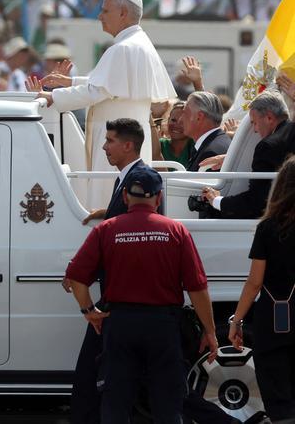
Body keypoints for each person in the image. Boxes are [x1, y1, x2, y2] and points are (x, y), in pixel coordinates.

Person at [64, 165, 218, 423]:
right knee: (168, 406)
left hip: (119, 326)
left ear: (125, 196)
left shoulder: (106, 229)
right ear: (159, 198)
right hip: (163, 328)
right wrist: (210, 331)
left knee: (116, 405)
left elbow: (77, 278)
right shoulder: (176, 231)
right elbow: (197, 287)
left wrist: (89, 311)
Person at [31, 0, 176, 203]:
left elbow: (98, 91)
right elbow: (112, 86)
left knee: (108, 199)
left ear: (123, 13)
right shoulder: (139, 43)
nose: (100, 16)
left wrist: (54, 97)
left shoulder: (123, 48)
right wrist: (71, 82)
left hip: (118, 141)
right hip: (129, 139)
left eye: (105, 11)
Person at [67, 118, 146, 423]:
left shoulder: (140, 178)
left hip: (123, 296)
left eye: (110, 141)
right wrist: (105, 212)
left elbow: (133, 230)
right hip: (120, 294)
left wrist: (81, 271)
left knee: (95, 374)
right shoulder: (126, 179)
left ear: (128, 145)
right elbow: (123, 218)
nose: (104, 147)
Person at [228, 155, 295, 421]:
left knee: (278, 398)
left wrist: (237, 320)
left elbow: (254, 282)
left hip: (273, 320)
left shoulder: (268, 227)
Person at [202, 90, 295, 219]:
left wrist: (216, 201)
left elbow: (256, 202)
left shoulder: (267, 146)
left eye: (254, 123)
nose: (255, 130)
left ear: (269, 118)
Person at [182, 91, 231, 172]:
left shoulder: (211, 153)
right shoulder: (215, 142)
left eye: (185, 113)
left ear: (199, 117)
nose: (181, 119)